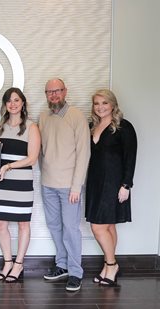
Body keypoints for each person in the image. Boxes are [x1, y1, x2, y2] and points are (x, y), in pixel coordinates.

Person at [39, 78, 90, 292]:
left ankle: (76, 272)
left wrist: (76, 186)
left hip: (70, 186)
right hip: (48, 184)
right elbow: (41, 151)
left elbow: (84, 153)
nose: (54, 95)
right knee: (54, 226)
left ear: (65, 91)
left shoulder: (76, 116)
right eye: (50, 92)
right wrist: (44, 173)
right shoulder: (43, 117)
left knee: (70, 229)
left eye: (57, 91)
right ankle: (62, 265)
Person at [85, 89, 137, 287]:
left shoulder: (124, 127)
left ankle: (112, 264)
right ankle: (108, 268)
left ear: (113, 105)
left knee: (98, 227)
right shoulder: (92, 126)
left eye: (104, 103)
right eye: (97, 103)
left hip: (114, 183)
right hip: (95, 182)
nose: (100, 107)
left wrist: (126, 185)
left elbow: (130, 158)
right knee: (108, 226)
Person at [0, 88, 41, 283]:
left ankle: (19, 264)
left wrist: (9, 166)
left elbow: (33, 159)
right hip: (1, 183)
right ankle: (7, 262)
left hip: (21, 184)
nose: (13, 104)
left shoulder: (31, 127)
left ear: (23, 103)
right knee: (1, 224)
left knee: (22, 224)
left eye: (16, 100)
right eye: (9, 101)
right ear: (5, 104)